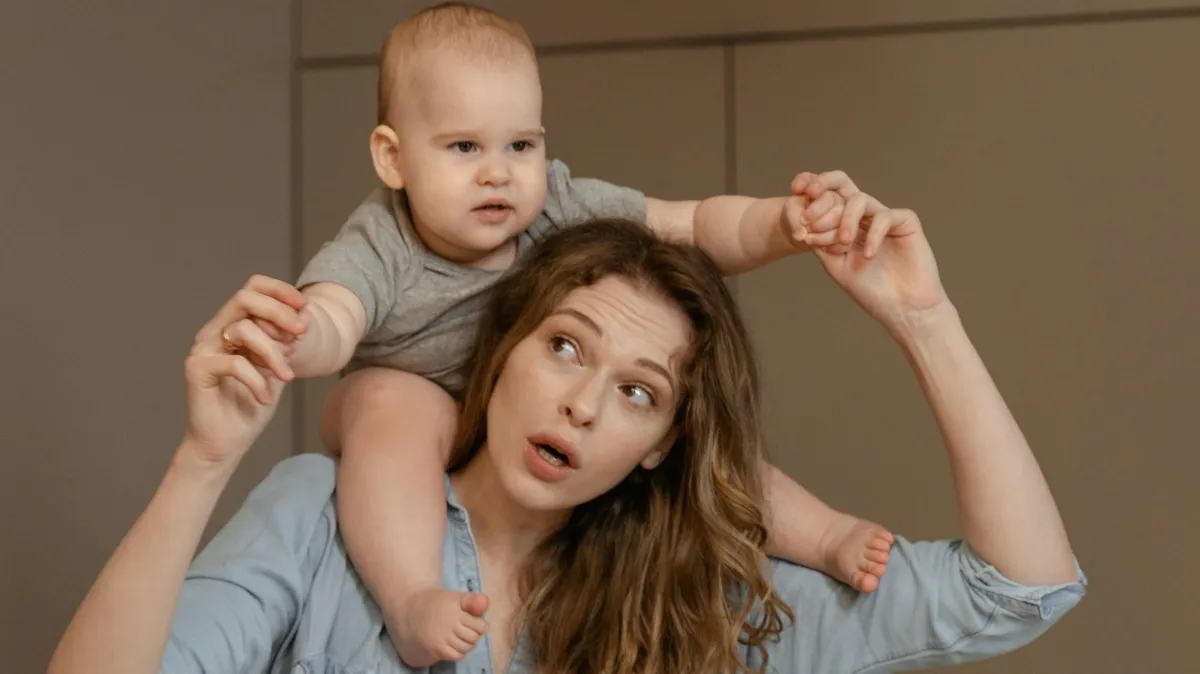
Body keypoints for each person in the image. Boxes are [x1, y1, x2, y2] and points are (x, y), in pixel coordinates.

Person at [48, 173, 1086, 674]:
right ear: (500, 351)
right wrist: (202, 459)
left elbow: (1019, 588)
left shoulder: (697, 604)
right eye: (566, 347)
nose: (584, 404)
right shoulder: (315, 514)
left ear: (662, 441)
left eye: (638, 391)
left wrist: (925, 321)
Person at [281, 2, 896, 665]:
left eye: (521, 145)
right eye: (464, 147)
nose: (498, 172)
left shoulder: (557, 205)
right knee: (387, 403)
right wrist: (293, 335)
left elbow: (691, 225)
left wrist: (783, 225)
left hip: (517, 407)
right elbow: (335, 315)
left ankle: (825, 535)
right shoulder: (383, 240)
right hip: (425, 404)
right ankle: (409, 598)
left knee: (704, 449)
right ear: (392, 158)